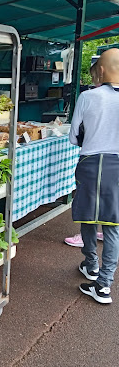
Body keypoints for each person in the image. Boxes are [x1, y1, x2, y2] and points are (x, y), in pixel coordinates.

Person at [69, 48, 119, 303]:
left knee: (89, 217)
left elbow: (73, 135)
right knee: (113, 224)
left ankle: (93, 267)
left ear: (101, 70)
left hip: (92, 162)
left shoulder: (88, 96)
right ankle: (104, 283)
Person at [65, 61, 103, 247]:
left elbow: (74, 137)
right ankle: (105, 273)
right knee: (111, 200)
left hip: (92, 158)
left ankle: (90, 258)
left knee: (90, 201)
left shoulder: (88, 97)